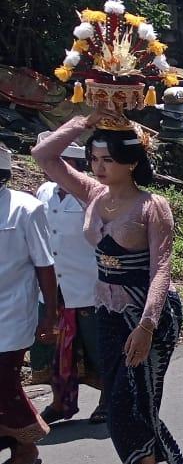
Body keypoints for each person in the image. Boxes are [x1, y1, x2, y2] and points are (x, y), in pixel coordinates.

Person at [35, 116, 183, 464]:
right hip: (107, 311)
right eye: (93, 157)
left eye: (107, 158)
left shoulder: (153, 207)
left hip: (149, 315)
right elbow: (43, 154)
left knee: (131, 400)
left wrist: (147, 326)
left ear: (131, 162)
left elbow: (161, 269)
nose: (97, 166)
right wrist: (86, 119)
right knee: (121, 400)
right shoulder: (91, 193)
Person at [33, 133, 105, 424]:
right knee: (52, 346)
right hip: (54, 285)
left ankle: (108, 398)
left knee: (95, 345)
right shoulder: (44, 192)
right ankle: (61, 401)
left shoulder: (92, 194)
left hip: (87, 283)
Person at [0, 141, 58, 464]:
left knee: (4, 381)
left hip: (11, 313)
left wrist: (49, 315)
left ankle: (27, 445)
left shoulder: (26, 208)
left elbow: (44, 265)